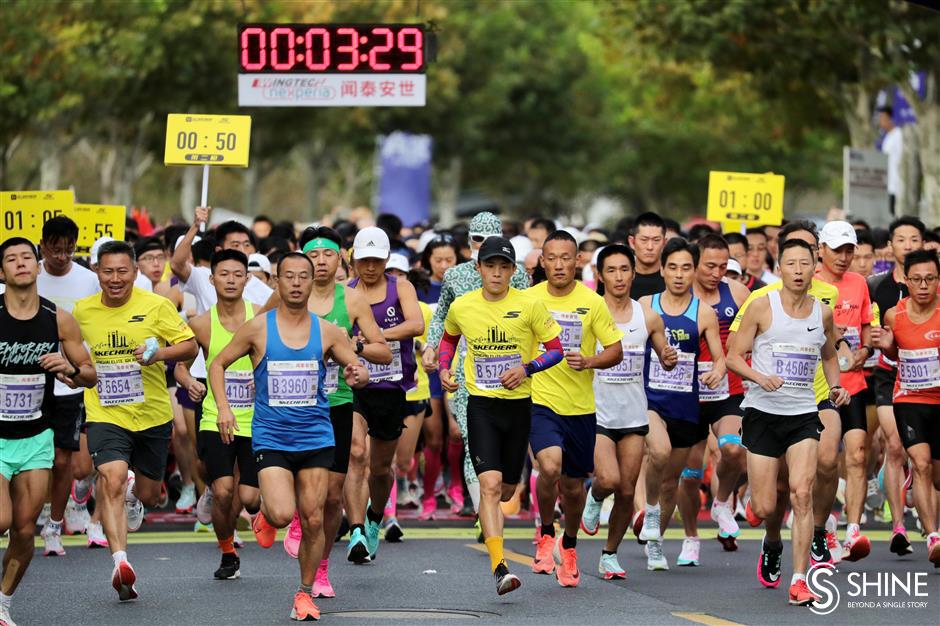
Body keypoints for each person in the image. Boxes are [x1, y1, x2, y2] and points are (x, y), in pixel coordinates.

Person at [208, 252, 369, 621]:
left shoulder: (328, 330)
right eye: (289, 277)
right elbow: (217, 364)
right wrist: (223, 408)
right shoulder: (258, 328)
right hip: (271, 436)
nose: (296, 283)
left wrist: (359, 374)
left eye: (303, 277)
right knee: (282, 514)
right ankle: (266, 514)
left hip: (315, 436)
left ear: (313, 283)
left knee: (313, 519)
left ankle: (304, 593)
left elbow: (356, 367)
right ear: (276, 282)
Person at [72, 240, 198, 602]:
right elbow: (75, 354)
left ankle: (133, 494)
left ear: (135, 272)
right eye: (107, 271)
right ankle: (120, 564)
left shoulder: (156, 306)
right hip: (105, 413)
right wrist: (73, 373)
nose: (115, 279)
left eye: (122, 271)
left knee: (150, 495)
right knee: (110, 477)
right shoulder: (81, 312)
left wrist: (160, 353)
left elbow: (189, 346)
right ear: (97, 272)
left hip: (152, 415)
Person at [727, 238, 850, 606]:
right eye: (790, 264)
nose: (798, 271)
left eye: (804, 264)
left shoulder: (821, 314)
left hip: (802, 414)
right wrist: (759, 377)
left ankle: (800, 579)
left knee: (801, 492)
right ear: (779, 269)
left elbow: (829, 356)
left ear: (815, 268)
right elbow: (734, 356)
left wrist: (836, 387)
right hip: (763, 412)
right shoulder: (762, 307)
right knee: (766, 506)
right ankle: (772, 540)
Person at [438, 236, 564, 595]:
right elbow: (449, 340)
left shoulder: (529, 305)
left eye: (503, 266)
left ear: (512, 270)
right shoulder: (463, 306)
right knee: (489, 486)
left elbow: (555, 349)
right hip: (481, 405)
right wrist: (445, 371)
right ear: (478, 268)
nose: (496, 273)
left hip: (518, 406)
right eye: (489, 265)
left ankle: (509, 530)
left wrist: (527, 368)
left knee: (508, 488)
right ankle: (499, 567)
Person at [0, 237, 97, 626]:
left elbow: (90, 375)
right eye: (12, 259)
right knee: (3, 520)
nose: (21, 263)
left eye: (27, 257)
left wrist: (69, 369)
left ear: (38, 267)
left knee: (25, 531)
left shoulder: (58, 318)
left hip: (37, 435)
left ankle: (3, 601)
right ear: (2, 271)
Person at [295, 227, 390, 596]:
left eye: (328, 255)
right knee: (297, 492)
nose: (320, 262)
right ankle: (294, 522)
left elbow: (382, 350)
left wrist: (357, 348)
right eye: (313, 255)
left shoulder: (351, 302)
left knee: (333, 496)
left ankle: (320, 569)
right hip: (292, 406)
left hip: (336, 402)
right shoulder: (286, 298)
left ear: (340, 260)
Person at [526, 231, 624, 586]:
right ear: (542, 261)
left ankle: (568, 545)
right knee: (548, 465)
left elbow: (616, 349)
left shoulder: (592, 302)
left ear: (578, 261)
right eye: (551, 258)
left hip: (580, 407)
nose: (558, 264)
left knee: (572, 486)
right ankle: (546, 534)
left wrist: (591, 361)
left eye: (566, 257)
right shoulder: (528, 298)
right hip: (540, 400)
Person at [424, 212, 531, 520]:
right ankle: (485, 515)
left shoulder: (518, 275)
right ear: (469, 242)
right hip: (469, 367)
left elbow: (532, 318)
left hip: (511, 371)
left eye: (491, 240)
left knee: (508, 452)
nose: (484, 246)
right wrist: (433, 347)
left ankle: (497, 499)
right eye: (478, 241)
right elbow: (442, 317)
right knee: (471, 440)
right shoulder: (455, 276)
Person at [579, 244, 677, 579]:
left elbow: (664, 351)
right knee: (609, 478)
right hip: (597, 412)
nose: (619, 277)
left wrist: (667, 357)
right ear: (599, 275)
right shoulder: (589, 312)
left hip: (634, 414)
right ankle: (594, 496)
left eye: (625, 270)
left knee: (626, 489)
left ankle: (609, 554)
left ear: (633, 274)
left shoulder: (646, 316)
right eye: (612, 270)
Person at [637, 238, 726, 570]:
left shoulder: (703, 312)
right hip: (650, 400)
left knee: (669, 482)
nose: (678, 274)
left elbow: (719, 358)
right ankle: (647, 510)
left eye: (686, 268)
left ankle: (656, 544)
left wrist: (717, 372)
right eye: (672, 267)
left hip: (686, 407)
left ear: (694, 271)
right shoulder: (647, 305)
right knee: (657, 451)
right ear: (661, 269)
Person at [180, 249, 262, 580]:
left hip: (258, 419)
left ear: (248, 278)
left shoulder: (260, 319)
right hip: (216, 417)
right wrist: (189, 383)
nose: (230, 280)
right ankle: (228, 553)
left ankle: (257, 512)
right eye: (223, 274)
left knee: (250, 498)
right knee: (225, 491)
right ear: (212, 279)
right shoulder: (200, 324)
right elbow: (180, 367)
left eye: (237, 274)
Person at [345, 227, 424, 564]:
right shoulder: (345, 293)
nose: (371, 267)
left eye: (377, 260)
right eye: (365, 260)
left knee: (380, 468)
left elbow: (416, 324)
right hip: (354, 386)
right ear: (354, 261)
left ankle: (376, 515)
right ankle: (356, 530)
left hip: (391, 386)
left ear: (387, 260)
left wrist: (370, 339)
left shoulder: (400, 287)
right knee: (356, 452)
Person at [674, 234, 751, 558]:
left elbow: (755, 337)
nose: (717, 273)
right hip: (688, 391)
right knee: (690, 475)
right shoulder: (679, 296)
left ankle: (721, 503)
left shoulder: (738, 293)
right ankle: (691, 537)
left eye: (723, 266)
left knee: (732, 450)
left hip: (727, 387)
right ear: (694, 262)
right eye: (709, 265)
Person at [35, 216, 101, 553]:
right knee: (33, 460)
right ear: (43, 246)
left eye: (68, 250)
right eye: (55, 249)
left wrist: (83, 368)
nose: (61, 256)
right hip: (28, 383)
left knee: (65, 461)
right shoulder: (28, 276)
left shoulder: (89, 280)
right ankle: (26, 515)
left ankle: (54, 526)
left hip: (71, 383)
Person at [872, 249, 940, 566]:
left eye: (930, 279)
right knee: (922, 463)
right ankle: (933, 538)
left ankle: (916, 483)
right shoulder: (893, 316)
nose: (924, 285)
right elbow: (893, 354)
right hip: (910, 400)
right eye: (917, 279)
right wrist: (886, 347)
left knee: (937, 477)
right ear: (906, 281)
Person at [815, 221, 875, 561]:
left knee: (857, 453)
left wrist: (864, 350)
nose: (844, 257)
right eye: (837, 250)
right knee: (824, 462)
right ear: (821, 249)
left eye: (849, 250)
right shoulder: (810, 283)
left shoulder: (859, 284)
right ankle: (824, 523)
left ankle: (853, 530)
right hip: (818, 386)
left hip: (853, 382)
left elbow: (867, 325)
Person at [867, 216, 925, 555]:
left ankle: (918, 496)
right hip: (890, 376)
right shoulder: (877, 286)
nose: (907, 246)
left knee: (924, 458)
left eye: (913, 239)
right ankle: (898, 526)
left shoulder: (934, 283)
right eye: (900, 239)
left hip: (927, 380)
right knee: (894, 446)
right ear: (891, 246)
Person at [627, 212, 667, 299]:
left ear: (664, 243)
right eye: (644, 240)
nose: (650, 247)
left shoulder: (672, 279)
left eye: (656, 240)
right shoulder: (622, 280)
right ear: (632, 242)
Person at [878, 105, 903, 215]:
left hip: (897, 183)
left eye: (883, 119)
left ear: (890, 118)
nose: (881, 122)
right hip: (888, 184)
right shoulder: (887, 137)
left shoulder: (899, 135)